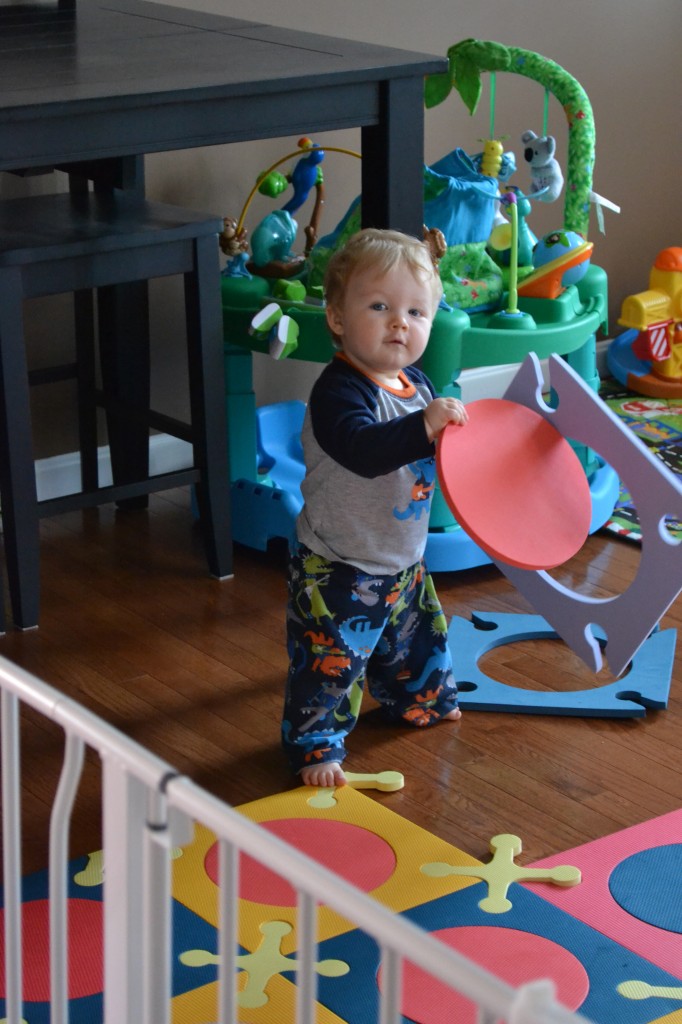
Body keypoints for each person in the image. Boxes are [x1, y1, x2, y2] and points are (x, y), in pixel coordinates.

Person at [282, 228, 468, 788]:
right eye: (380, 306)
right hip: (338, 563)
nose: (399, 323)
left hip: (402, 556)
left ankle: (422, 699)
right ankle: (314, 743)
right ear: (337, 318)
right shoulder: (340, 391)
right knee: (330, 661)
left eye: (416, 311)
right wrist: (424, 426)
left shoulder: (418, 385)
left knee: (414, 641)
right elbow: (365, 453)